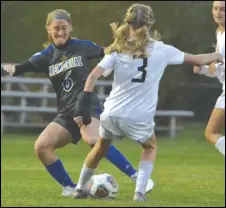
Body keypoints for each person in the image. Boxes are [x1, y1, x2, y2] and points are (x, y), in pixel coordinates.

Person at [71, 3, 224, 202]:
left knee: (100, 147)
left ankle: (80, 188)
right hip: (138, 117)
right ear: (150, 24)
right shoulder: (162, 50)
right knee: (149, 147)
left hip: (111, 113)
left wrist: (82, 105)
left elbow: (92, 76)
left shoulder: (118, 49)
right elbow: (197, 59)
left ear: (128, 22)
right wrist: (216, 55)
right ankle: (139, 193)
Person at [2, 9, 154, 197]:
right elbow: (21, 68)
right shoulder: (46, 55)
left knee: (93, 140)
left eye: (64, 28)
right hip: (66, 113)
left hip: (86, 105)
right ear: (48, 29)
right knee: (41, 147)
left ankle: (135, 175)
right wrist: (10, 69)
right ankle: (69, 187)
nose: (60, 32)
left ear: (70, 28)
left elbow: (111, 53)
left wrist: (136, 51)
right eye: (56, 28)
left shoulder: (83, 46)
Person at [193, 1, 225, 156]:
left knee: (211, 132)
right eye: (215, 8)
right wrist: (204, 69)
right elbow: (218, 68)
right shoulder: (220, 33)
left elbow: (218, 66)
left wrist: (204, 66)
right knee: (211, 132)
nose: (218, 12)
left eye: (223, 9)